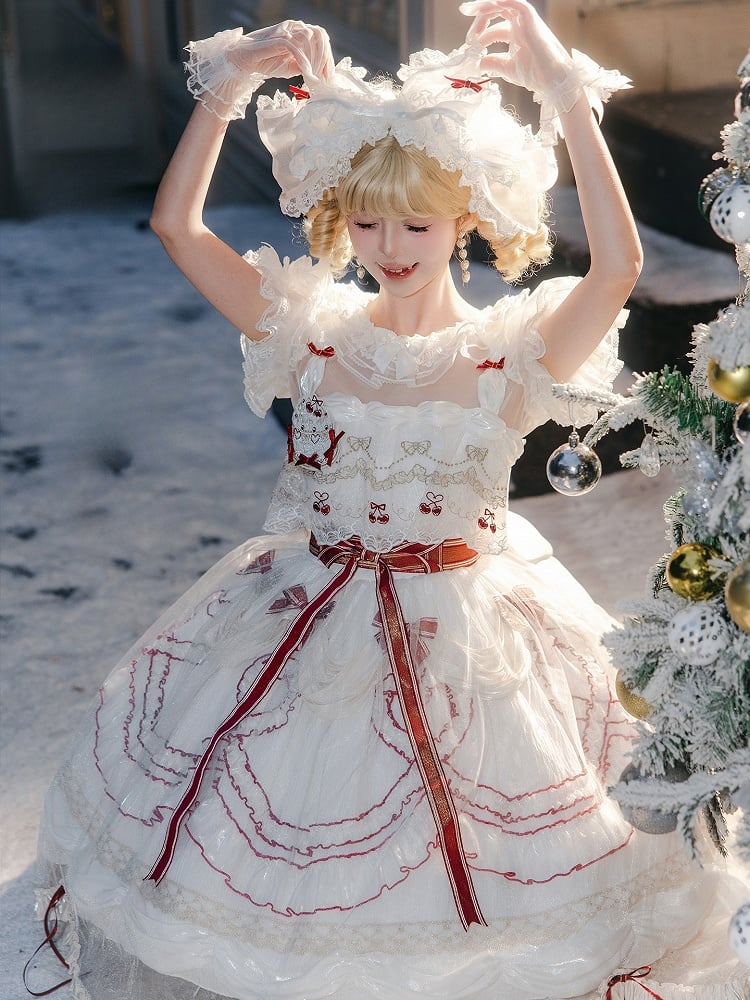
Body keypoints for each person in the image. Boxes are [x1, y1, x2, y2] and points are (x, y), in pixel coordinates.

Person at [30, 2, 749, 998]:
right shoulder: (313, 328)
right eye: (367, 220)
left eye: (416, 220)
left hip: (472, 630)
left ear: (465, 217)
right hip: (303, 614)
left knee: (497, 873)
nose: (390, 243)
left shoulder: (509, 347)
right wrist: (229, 82)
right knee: (281, 856)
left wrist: (561, 90)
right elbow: (174, 226)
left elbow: (620, 266)